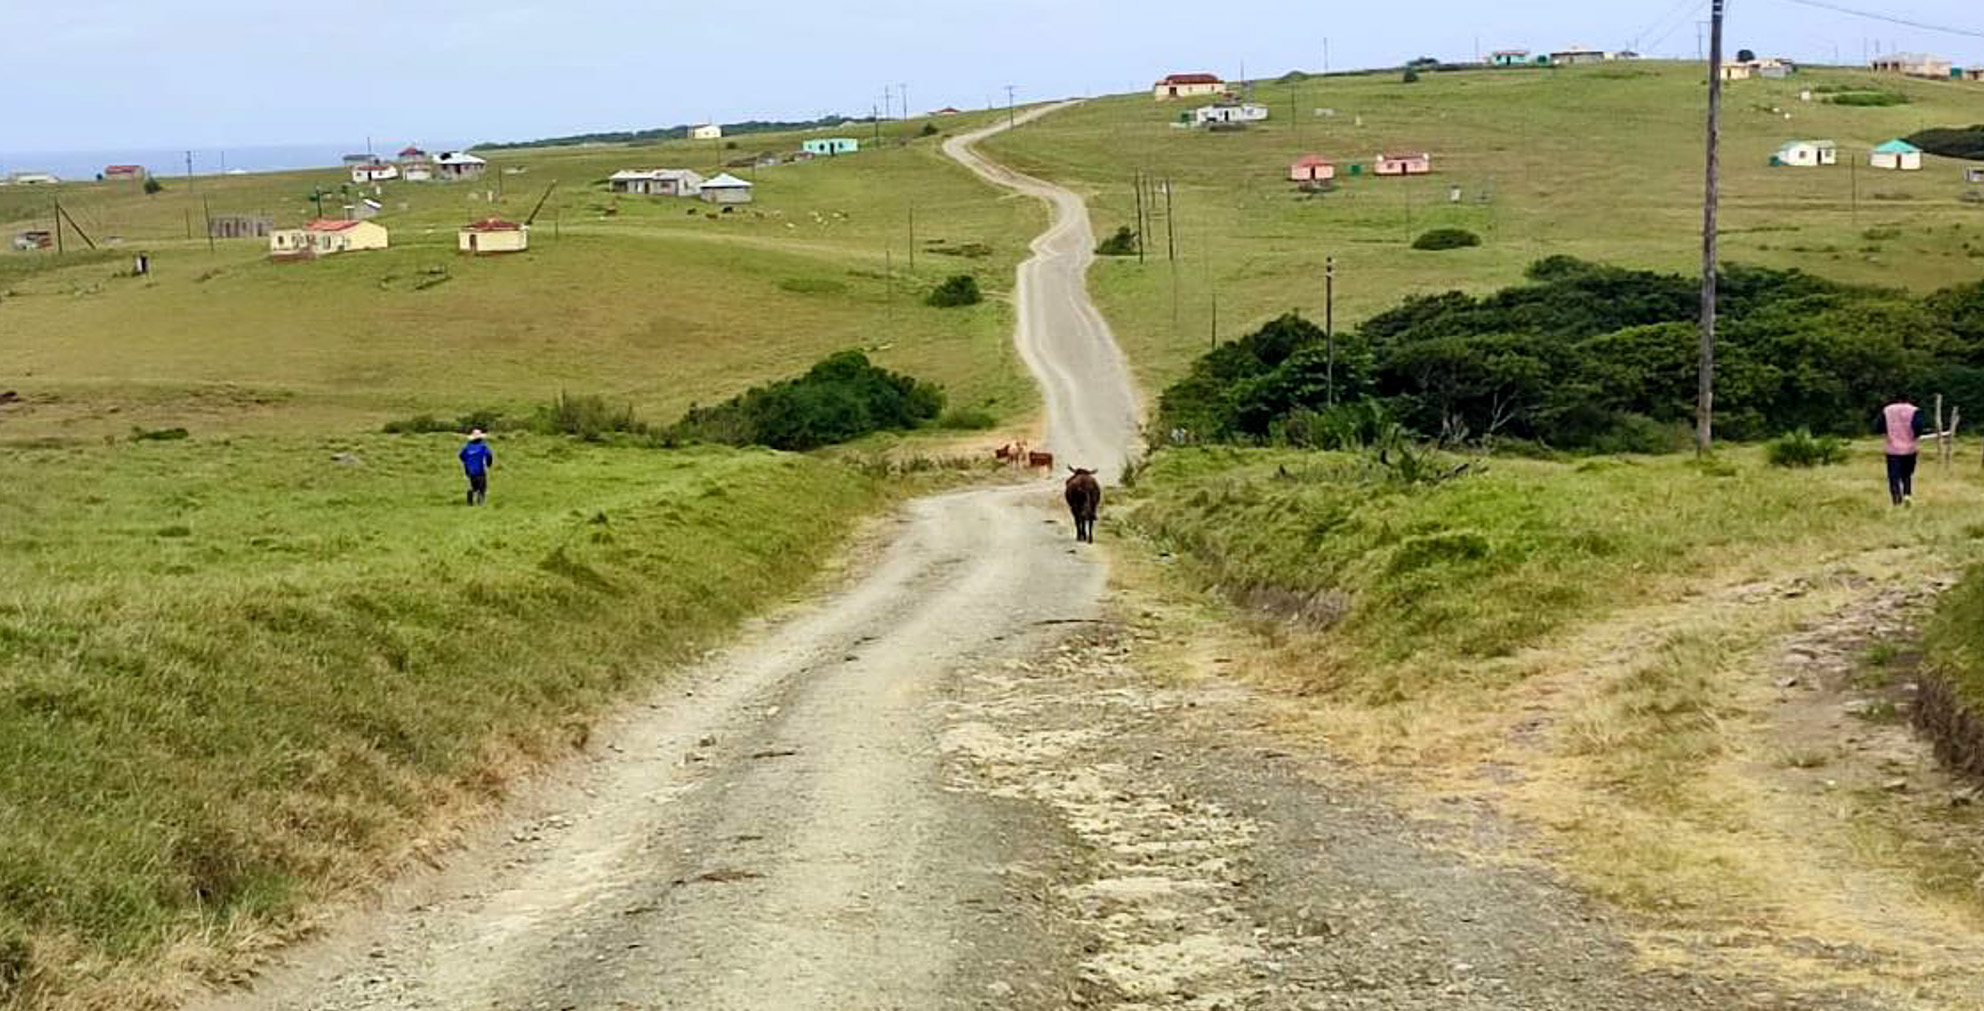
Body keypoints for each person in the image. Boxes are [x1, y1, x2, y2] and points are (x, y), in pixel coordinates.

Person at [1876, 398, 1928, 506]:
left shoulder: (1887, 410)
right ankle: (1907, 495)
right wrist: (1914, 437)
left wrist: (1887, 434)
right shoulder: (1914, 410)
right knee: (1907, 474)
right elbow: (1918, 427)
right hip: (1910, 449)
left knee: (1893, 477)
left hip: (1892, 449)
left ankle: (1896, 499)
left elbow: (1879, 426)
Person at [459, 429, 494, 506]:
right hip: (480, 469)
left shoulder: (467, 447)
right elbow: (489, 455)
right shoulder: (483, 446)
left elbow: (461, 455)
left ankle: (469, 502)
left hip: (469, 469)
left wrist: (466, 462)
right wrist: (489, 464)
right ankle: (480, 502)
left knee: (471, 486)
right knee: (482, 486)